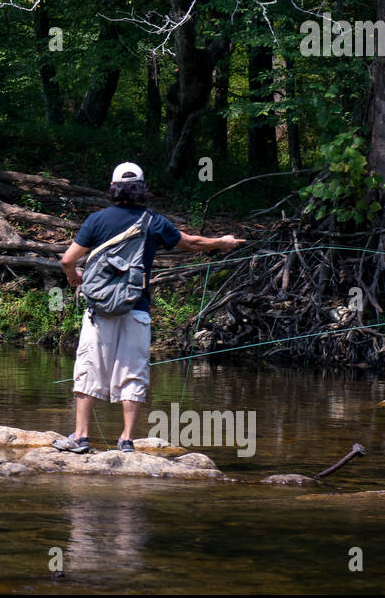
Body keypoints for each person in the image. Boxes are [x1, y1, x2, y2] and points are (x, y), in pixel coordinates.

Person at [53, 162, 244, 453]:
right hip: (136, 306)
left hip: (100, 309)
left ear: (113, 188)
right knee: (133, 370)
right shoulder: (153, 221)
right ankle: (126, 440)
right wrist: (223, 242)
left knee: (89, 367)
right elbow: (192, 244)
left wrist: (73, 278)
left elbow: (67, 260)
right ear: (142, 189)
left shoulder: (96, 220)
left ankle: (80, 437)